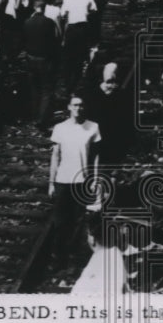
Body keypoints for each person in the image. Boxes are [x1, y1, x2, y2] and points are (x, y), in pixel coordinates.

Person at [47, 95, 101, 271]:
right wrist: (51, 182)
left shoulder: (93, 127)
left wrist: (94, 178)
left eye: (81, 105)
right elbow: (55, 156)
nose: (78, 108)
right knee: (60, 222)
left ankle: (73, 260)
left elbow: (96, 156)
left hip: (82, 181)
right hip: (63, 179)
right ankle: (58, 258)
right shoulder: (60, 128)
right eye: (75, 105)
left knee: (78, 222)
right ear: (69, 107)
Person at [21, 0, 60, 128]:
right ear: (44, 9)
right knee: (46, 89)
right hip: (45, 59)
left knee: (34, 88)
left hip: (30, 58)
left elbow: (24, 41)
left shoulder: (27, 22)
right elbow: (55, 42)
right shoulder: (49, 23)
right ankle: (42, 120)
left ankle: (34, 115)